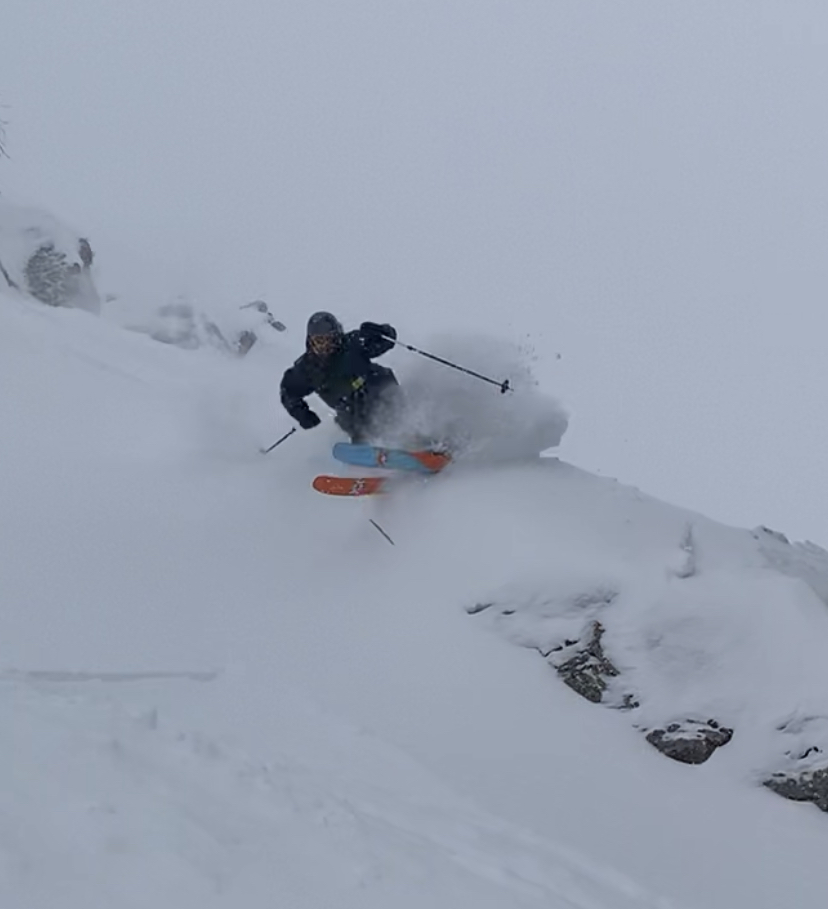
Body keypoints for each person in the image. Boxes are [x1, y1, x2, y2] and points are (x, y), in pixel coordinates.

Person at [280, 311, 399, 443]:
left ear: (337, 337)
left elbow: (388, 341)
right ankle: (366, 445)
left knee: (391, 409)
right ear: (310, 341)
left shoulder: (353, 344)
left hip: (378, 390)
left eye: (328, 340)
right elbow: (289, 392)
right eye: (318, 341)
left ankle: (414, 435)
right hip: (350, 410)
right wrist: (303, 415)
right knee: (352, 419)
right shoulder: (307, 368)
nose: (323, 346)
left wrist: (381, 331)